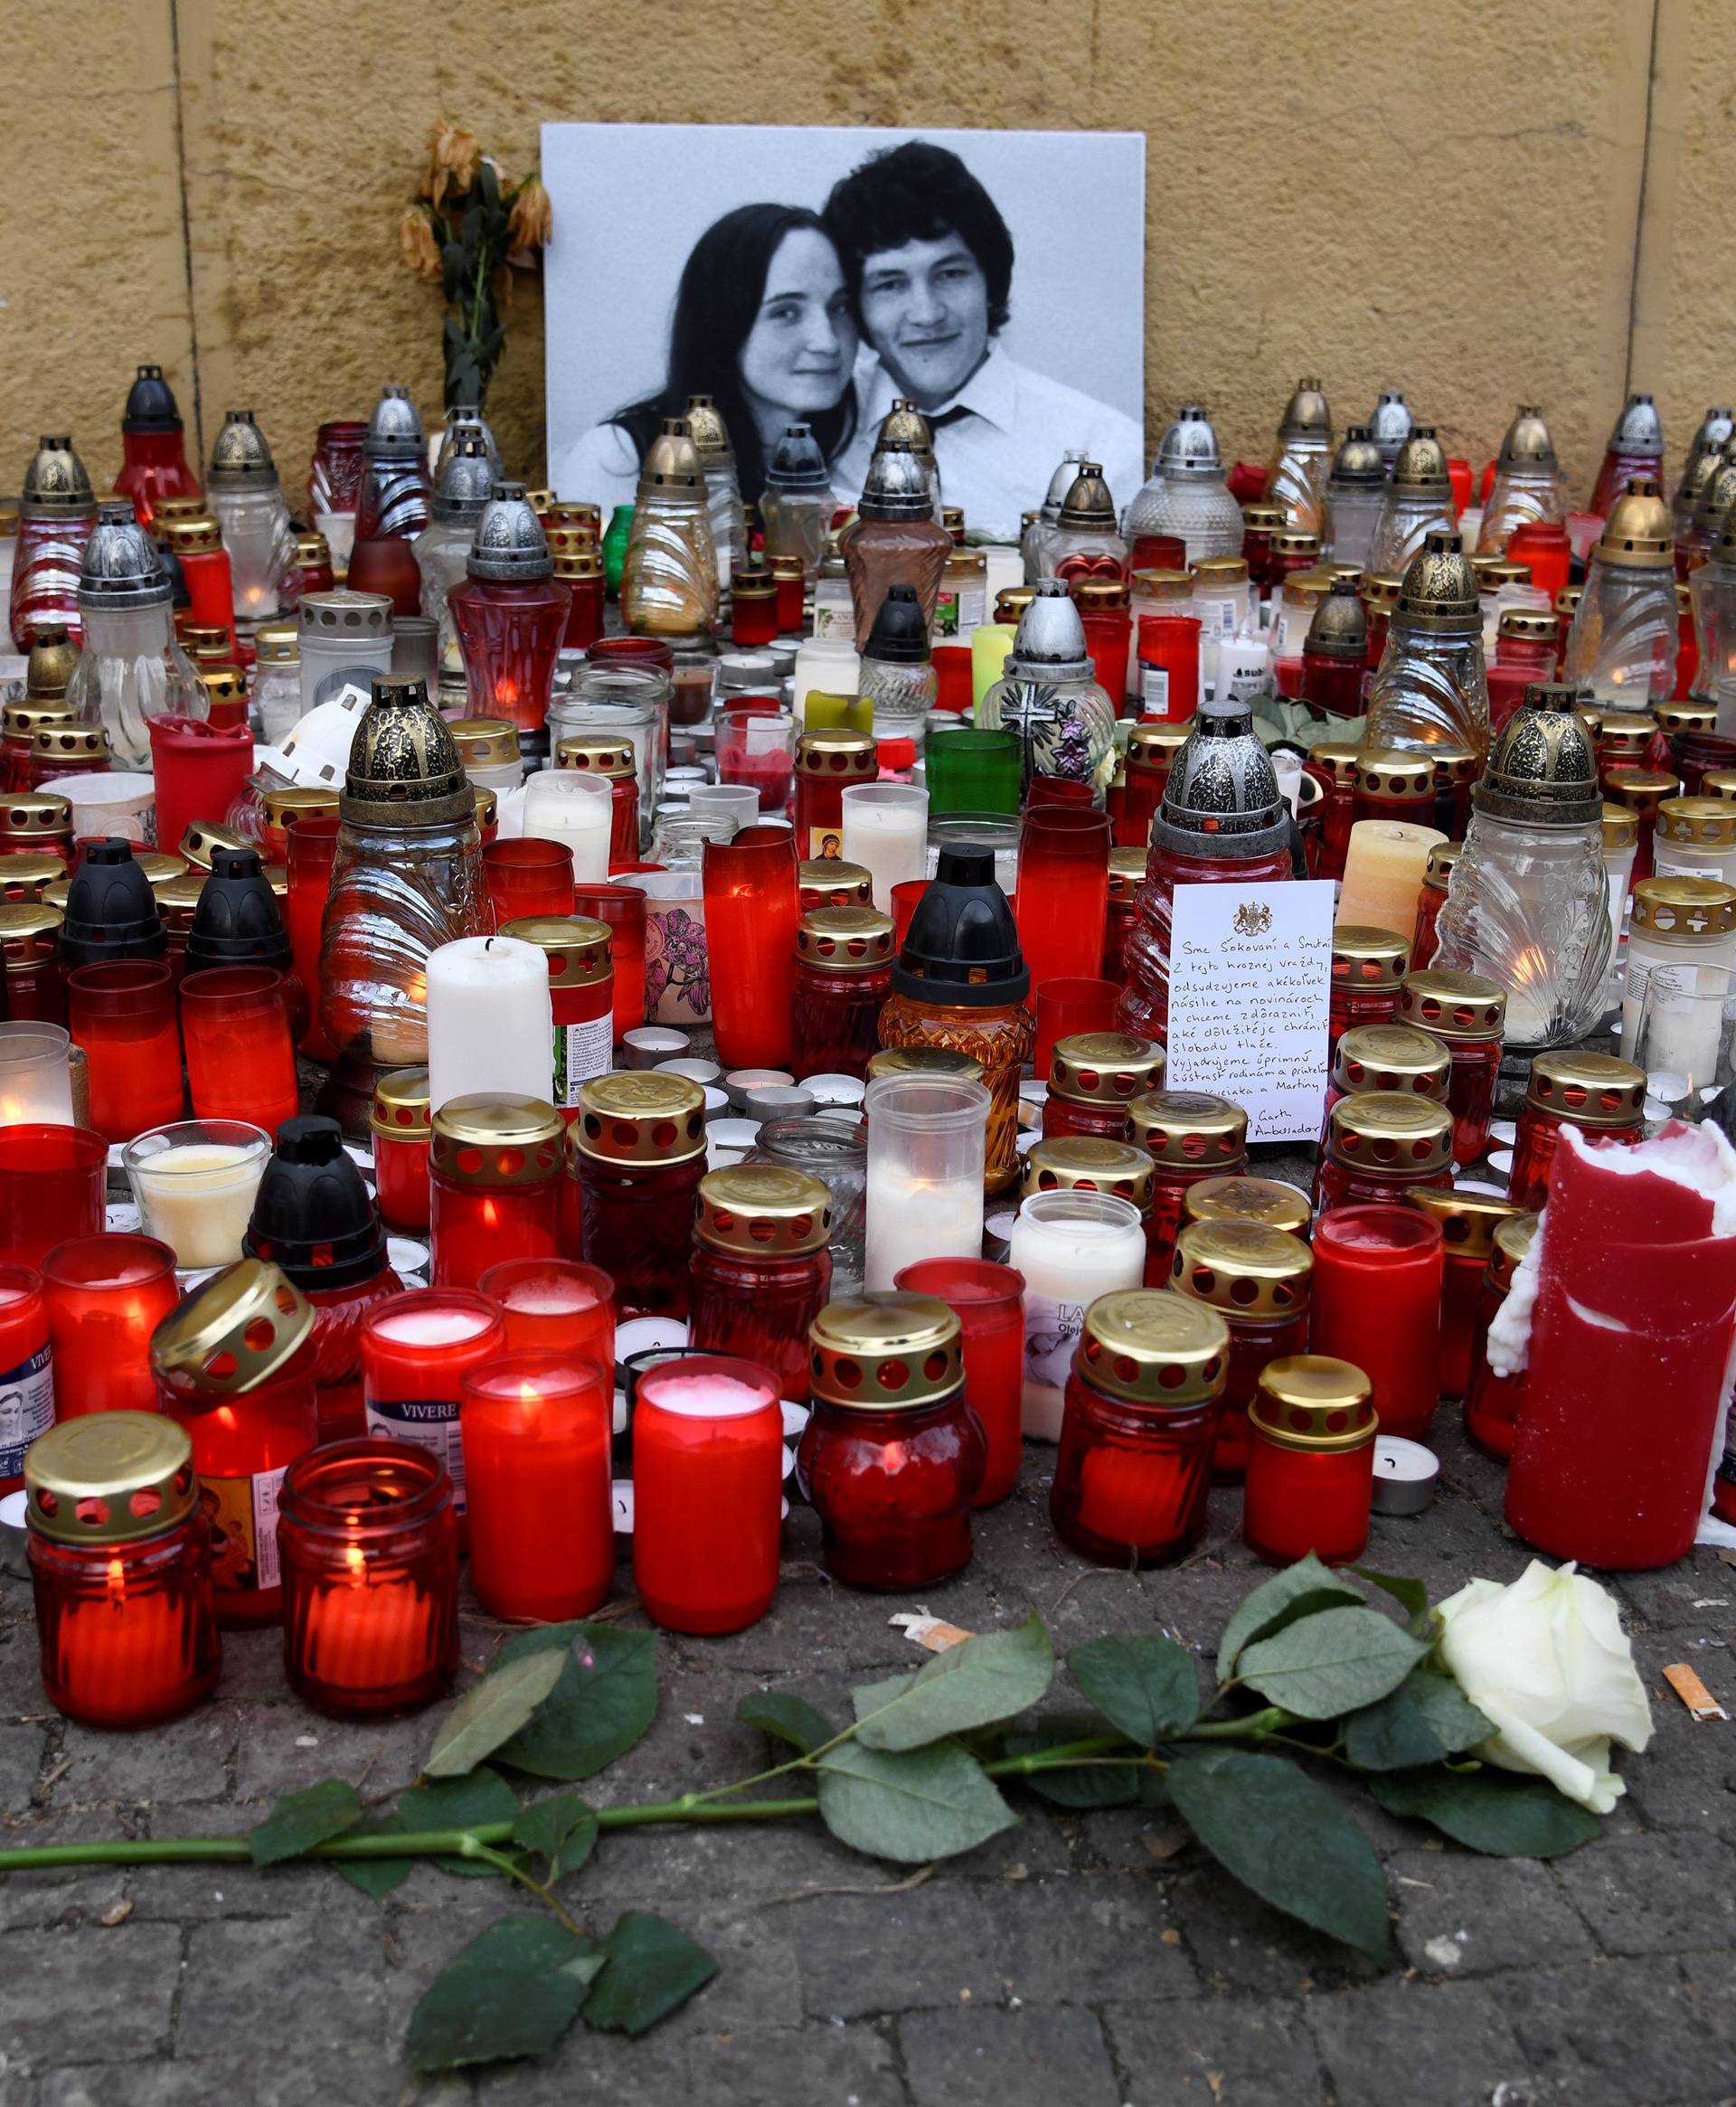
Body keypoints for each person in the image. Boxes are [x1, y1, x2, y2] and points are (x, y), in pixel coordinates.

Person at [824, 142, 1145, 541]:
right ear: (856, 305)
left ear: (990, 282)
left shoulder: (1104, 449)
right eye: (890, 284)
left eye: (950, 274)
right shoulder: (820, 428)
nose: (926, 313)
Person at [552, 203, 859, 512]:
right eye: (786, 312)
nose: (827, 342)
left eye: (840, 307)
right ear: (721, 322)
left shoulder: (855, 456)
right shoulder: (619, 458)